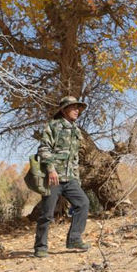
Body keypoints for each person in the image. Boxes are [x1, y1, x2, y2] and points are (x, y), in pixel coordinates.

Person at [33, 96, 91, 258]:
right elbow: (43, 149)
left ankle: (74, 239)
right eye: (73, 108)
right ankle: (40, 247)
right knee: (47, 213)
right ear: (64, 110)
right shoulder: (53, 126)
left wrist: (77, 180)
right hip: (53, 178)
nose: (77, 111)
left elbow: (74, 158)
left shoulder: (76, 131)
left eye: (78, 108)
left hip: (70, 178)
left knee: (83, 203)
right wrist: (51, 170)